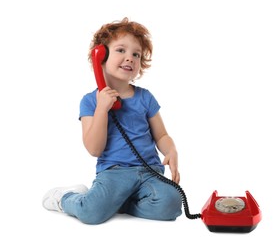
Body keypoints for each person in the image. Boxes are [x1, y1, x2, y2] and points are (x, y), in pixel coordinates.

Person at [42, 17, 182, 225]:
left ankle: (120, 203)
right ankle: (65, 199)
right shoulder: (90, 101)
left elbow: (161, 135)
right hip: (115, 173)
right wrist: (102, 109)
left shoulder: (145, 97)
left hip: (150, 171)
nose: (130, 58)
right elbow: (94, 149)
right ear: (100, 56)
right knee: (91, 213)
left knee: (171, 203)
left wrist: (171, 151)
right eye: (121, 50)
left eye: (136, 54)